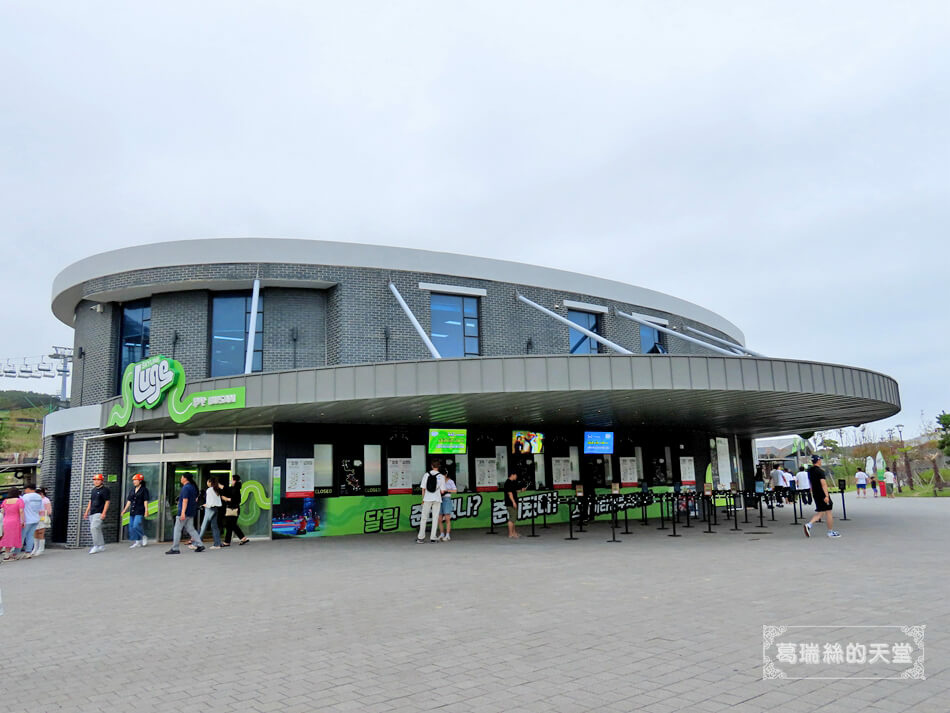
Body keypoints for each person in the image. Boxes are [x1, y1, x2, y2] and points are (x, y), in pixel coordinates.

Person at [166, 473, 204, 554]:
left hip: (184, 512)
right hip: (190, 512)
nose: (181, 478)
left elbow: (185, 500)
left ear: (185, 478)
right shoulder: (193, 487)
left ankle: (175, 548)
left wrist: (182, 512)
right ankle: (200, 544)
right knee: (191, 529)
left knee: (177, 529)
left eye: (182, 477)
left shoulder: (186, 488)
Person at [804, 455, 840, 538]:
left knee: (821, 512)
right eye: (820, 460)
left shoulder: (810, 471)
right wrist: (826, 495)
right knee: (828, 511)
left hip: (816, 493)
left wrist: (811, 491)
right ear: (818, 460)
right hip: (822, 494)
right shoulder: (820, 471)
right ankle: (830, 532)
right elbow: (823, 484)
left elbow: (810, 483)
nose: (821, 461)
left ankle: (809, 525)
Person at [416, 460, 445, 544]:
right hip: (437, 499)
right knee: (435, 518)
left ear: (432, 466)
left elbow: (423, 488)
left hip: (427, 498)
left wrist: (423, 499)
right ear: (438, 466)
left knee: (424, 518)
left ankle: (421, 538)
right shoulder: (441, 476)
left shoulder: (426, 475)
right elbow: (442, 491)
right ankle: (433, 537)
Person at [82, 474, 111, 554]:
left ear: (102, 481)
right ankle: (101, 545)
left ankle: (96, 546)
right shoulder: (93, 490)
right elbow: (90, 501)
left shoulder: (105, 490)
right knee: (97, 529)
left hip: (99, 512)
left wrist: (104, 513)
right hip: (92, 512)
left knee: (93, 528)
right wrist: (86, 511)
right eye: (94, 480)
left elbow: (107, 502)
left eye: (98, 480)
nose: (96, 481)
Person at [121, 473, 150, 548]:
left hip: (140, 510)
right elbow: (129, 501)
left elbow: (145, 500)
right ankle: (137, 541)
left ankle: (143, 536)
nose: (134, 482)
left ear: (140, 481)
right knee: (131, 527)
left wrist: (146, 510)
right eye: (133, 480)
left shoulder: (144, 490)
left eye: (135, 480)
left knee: (136, 525)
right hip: (132, 510)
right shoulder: (132, 490)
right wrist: (124, 510)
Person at [221, 473, 250, 546]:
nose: (231, 481)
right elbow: (227, 489)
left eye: (231, 479)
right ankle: (229, 541)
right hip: (234, 509)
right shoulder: (235, 488)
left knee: (231, 525)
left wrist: (226, 499)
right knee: (230, 525)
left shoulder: (235, 489)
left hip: (233, 509)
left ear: (234, 480)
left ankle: (240, 538)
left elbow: (234, 499)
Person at [197, 476, 224, 549]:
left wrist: (205, 505)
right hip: (216, 509)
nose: (207, 483)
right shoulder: (216, 490)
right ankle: (217, 544)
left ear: (210, 482)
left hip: (210, 509)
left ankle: (196, 543)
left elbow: (209, 502)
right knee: (214, 527)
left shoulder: (209, 490)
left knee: (203, 526)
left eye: (207, 481)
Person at [18, 484, 43, 559]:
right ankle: (28, 552)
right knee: (30, 536)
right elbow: (40, 508)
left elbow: (21, 506)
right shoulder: (39, 497)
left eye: (25, 489)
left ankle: (17, 552)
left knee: (22, 536)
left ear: (28, 489)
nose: (25, 491)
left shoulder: (26, 496)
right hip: (36, 518)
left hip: (27, 519)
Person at [1, 487, 24, 561]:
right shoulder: (19, 501)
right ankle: (7, 555)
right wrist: (23, 521)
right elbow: (21, 512)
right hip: (15, 521)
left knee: (6, 537)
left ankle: (7, 554)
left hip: (6, 520)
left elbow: (2, 511)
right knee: (13, 538)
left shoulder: (5, 501)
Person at [437, 471, 458, 542]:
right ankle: (442, 534)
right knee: (439, 519)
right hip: (439, 499)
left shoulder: (450, 481)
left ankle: (448, 535)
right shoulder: (439, 481)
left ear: (446, 474)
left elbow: (455, 490)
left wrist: (447, 490)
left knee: (447, 518)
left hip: (447, 499)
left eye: (443, 474)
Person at [31, 487, 52, 556]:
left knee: (41, 533)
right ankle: (35, 548)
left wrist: (39, 511)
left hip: (42, 518)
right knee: (35, 533)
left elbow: (49, 511)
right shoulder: (35, 500)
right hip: (35, 518)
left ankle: (41, 548)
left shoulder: (46, 500)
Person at [503, 472, 524, 539]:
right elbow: (510, 493)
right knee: (512, 518)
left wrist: (521, 490)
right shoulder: (508, 483)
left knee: (513, 518)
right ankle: (510, 534)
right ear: (512, 475)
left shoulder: (512, 482)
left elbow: (514, 491)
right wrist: (514, 502)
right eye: (516, 475)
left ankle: (514, 533)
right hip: (510, 503)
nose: (516, 477)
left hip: (512, 502)